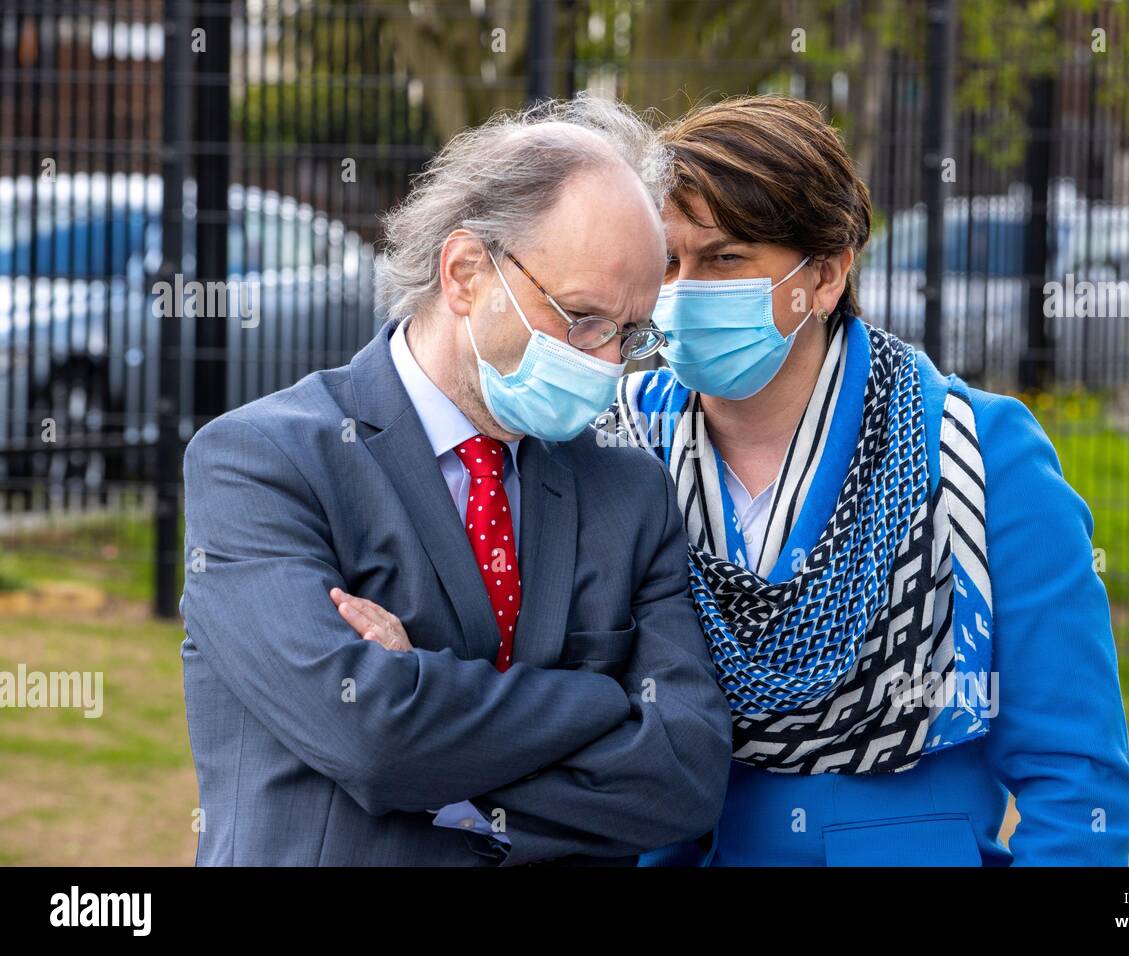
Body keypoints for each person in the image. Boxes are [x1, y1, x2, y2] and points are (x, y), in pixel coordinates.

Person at [179, 95, 732, 866]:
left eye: (631, 334)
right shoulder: (264, 464)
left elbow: (685, 773)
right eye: (582, 319)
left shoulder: (629, 497)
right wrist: (602, 702)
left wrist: (435, 732)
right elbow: (370, 737)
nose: (607, 363)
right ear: (467, 271)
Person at [603, 94, 1129, 865]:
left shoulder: (980, 453)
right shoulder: (616, 448)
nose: (683, 291)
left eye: (724, 258)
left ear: (824, 275)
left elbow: (1078, 783)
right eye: (667, 261)